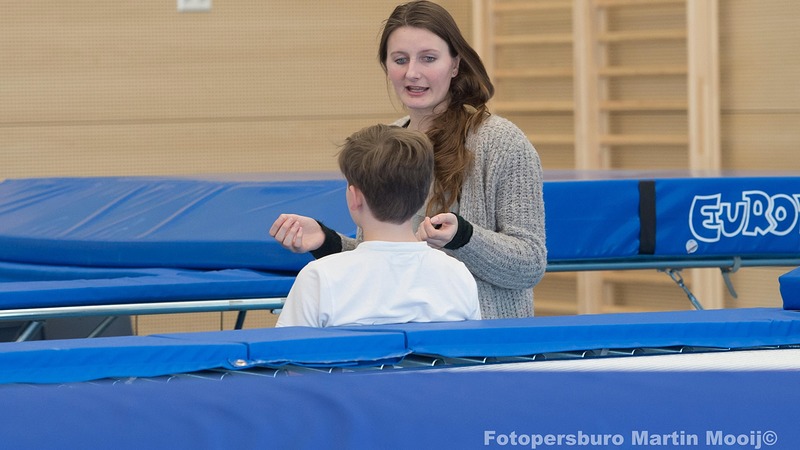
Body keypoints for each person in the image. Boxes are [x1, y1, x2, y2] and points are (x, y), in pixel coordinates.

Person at [270, 0, 546, 319]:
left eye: (428, 58)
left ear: (455, 64)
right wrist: (326, 241)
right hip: (408, 349)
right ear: (386, 66)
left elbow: (529, 264)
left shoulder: (501, 142)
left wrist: (463, 237)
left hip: (487, 351)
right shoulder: (387, 141)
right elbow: (382, 263)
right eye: (400, 60)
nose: (412, 73)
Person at [275, 124, 481, 327]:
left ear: (355, 197)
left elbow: (284, 355)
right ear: (424, 194)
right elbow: (474, 354)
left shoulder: (320, 278)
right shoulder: (457, 275)